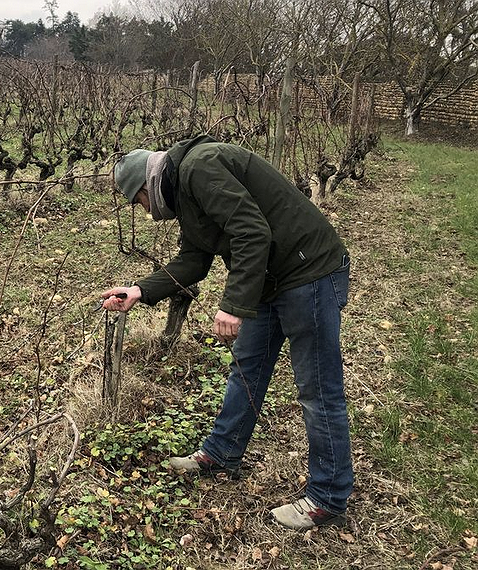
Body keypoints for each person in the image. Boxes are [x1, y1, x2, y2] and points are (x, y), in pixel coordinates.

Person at [101, 136, 352, 530]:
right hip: (271, 279)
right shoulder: (185, 193)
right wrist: (139, 290)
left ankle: (328, 497)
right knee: (246, 369)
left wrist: (233, 306)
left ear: (147, 187)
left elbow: (252, 233)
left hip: (309, 272)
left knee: (318, 391)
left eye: (138, 202)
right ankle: (221, 453)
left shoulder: (200, 168)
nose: (145, 212)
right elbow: (192, 260)